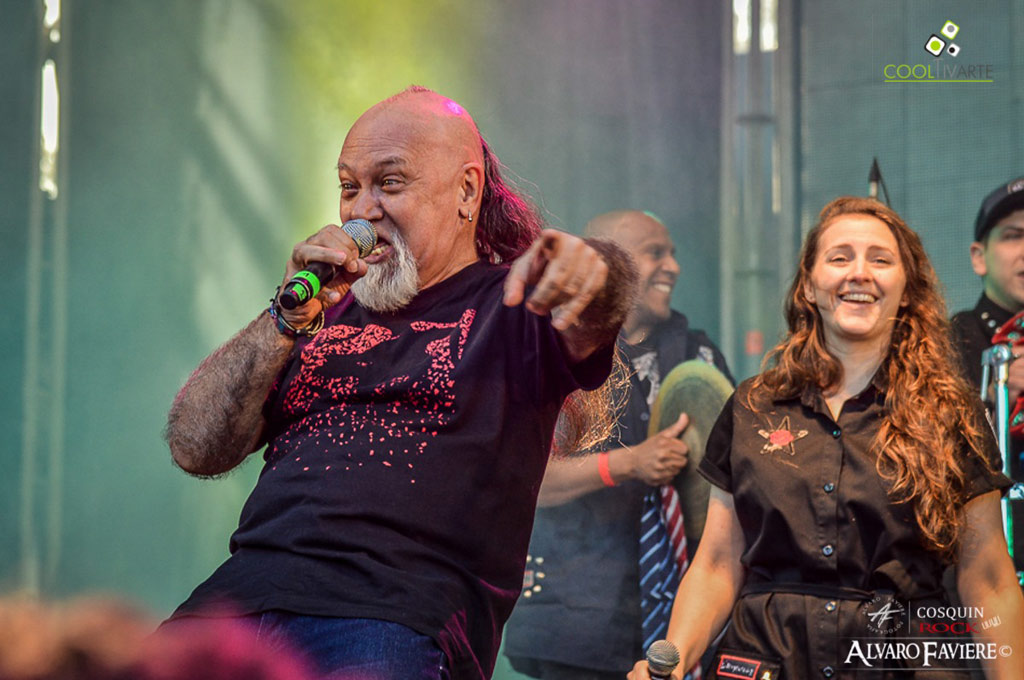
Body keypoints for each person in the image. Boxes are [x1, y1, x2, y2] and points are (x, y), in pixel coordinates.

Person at [163, 86, 637, 680]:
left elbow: (598, 304)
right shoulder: (318, 313)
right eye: (348, 186)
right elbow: (195, 446)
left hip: (391, 617)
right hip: (234, 601)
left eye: (389, 183)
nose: (361, 211)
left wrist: (598, 267)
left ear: (466, 191)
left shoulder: (509, 304)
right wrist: (282, 318)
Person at [628, 197, 1024, 679]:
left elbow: (987, 579)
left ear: (906, 289)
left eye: (880, 259)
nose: (859, 272)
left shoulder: (951, 413)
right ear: (810, 287)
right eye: (840, 257)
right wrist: (669, 663)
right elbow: (715, 566)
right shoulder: (754, 405)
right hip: (762, 661)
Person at [504, 211, 733, 680]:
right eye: (655, 253)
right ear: (611, 263)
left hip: (679, 624)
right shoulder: (553, 349)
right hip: (574, 625)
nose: (673, 267)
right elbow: (520, 478)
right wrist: (628, 464)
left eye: (672, 253)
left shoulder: (699, 354)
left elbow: (734, 482)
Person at [951, 176, 1024, 572]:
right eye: (1014, 236)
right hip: (980, 572)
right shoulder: (949, 342)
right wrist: (998, 394)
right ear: (979, 256)